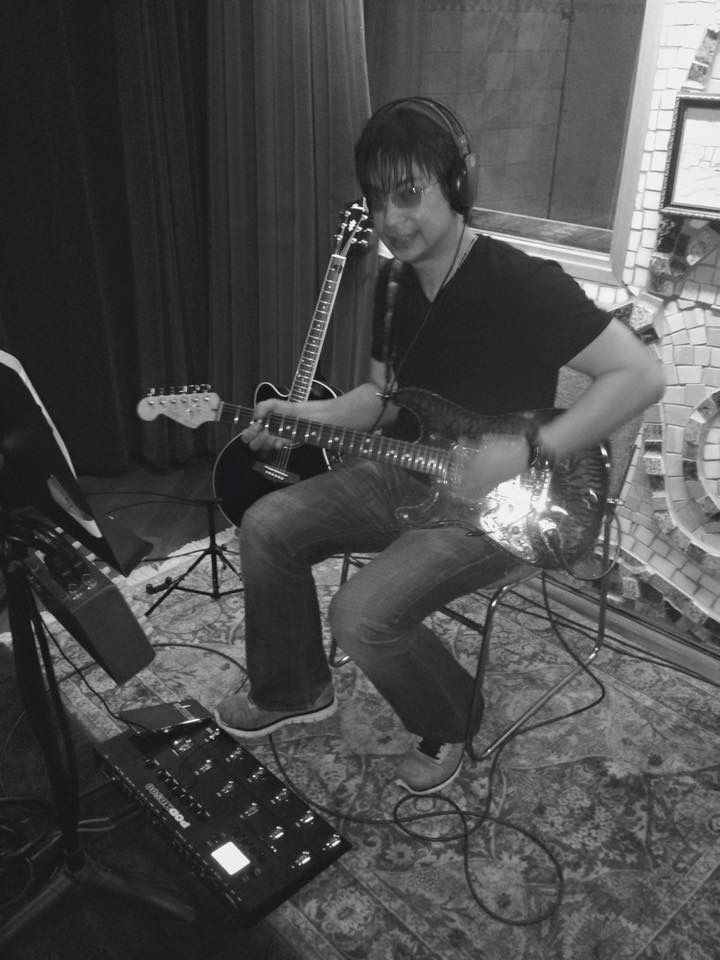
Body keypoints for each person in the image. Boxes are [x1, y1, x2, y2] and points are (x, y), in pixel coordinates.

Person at [213, 98, 665, 795]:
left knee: (362, 614)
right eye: (377, 199)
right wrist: (303, 413)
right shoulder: (394, 284)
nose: (392, 220)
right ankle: (294, 688)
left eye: (408, 193)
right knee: (267, 523)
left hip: (502, 505)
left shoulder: (521, 283)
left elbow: (640, 375)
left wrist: (528, 450)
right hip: (409, 470)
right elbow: (382, 397)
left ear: (457, 185)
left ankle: (450, 718)